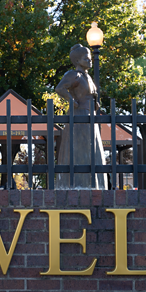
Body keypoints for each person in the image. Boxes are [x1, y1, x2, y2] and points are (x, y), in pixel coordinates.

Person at [54, 44, 107, 189]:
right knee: (80, 148)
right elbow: (59, 88)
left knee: (92, 149)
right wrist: (72, 100)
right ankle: (78, 183)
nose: (90, 60)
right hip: (79, 115)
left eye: (90, 58)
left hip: (91, 115)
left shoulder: (88, 77)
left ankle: (95, 183)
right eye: (86, 58)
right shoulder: (73, 74)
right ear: (77, 61)